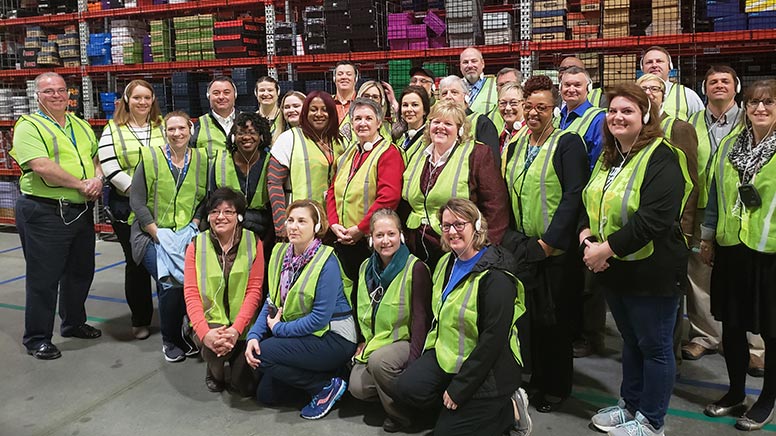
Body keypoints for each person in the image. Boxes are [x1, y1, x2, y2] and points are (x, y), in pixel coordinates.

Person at [582, 83, 691, 436]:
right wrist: (586, 239)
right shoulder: (610, 156)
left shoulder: (664, 156)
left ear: (645, 116)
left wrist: (603, 250)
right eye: (613, 110)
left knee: (655, 347)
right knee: (632, 342)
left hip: (652, 270)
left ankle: (651, 420)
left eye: (627, 111)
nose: (617, 117)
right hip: (617, 268)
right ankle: (629, 406)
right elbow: (590, 200)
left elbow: (653, 219)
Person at [396, 198, 531, 436]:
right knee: (407, 389)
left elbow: (493, 341)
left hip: (489, 368)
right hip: (451, 358)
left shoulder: (496, 277)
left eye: (459, 225)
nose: (452, 231)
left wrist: (460, 388)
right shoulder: (446, 263)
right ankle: (460, 414)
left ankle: (510, 410)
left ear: (477, 226)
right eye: (446, 226)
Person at [503, 75, 589, 413]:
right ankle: (536, 378)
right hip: (525, 246)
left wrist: (550, 242)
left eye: (542, 107)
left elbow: (573, 196)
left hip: (555, 251)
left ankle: (557, 386)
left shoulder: (568, 143)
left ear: (554, 109)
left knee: (556, 323)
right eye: (529, 106)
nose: (534, 112)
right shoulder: (518, 143)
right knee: (532, 321)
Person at [700, 79, 776, 431]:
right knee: (731, 326)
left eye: (769, 103)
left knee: (772, 332)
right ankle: (734, 392)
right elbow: (715, 195)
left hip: (771, 254)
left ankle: (767, 399)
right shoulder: (730, 145)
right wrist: (708, 237)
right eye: (754, 103)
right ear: (744, 107)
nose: (760, 109)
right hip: (732, 248)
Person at [11, 72, 104, 360]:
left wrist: (98, 179)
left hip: (80, 209)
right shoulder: (29, 126)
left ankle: (73, 322)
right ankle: (37, 337)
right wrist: (81, 184)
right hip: (45, 211)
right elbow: (40, 165)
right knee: (44, 278)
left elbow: (95, 158)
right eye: (49, 91)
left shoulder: (80, 124)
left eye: (61, 90)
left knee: (80, 271)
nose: (57, 95)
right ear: (37, 96)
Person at [684, 66, 765, 374]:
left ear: (736, 88)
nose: (718, 85)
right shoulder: (690, 124)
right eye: (712, 81)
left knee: (748, 279)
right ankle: (705, 336)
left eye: (725, 81)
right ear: (704, 88)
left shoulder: (751, 120)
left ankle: (756, 347)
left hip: (743, 212)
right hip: (703, 208)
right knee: (699, 276)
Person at [244, 199, 356, 420]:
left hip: (334, 338)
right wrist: (254, 335)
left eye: (302, 221)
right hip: (304, 335)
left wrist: (279, 329)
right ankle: (332, 374)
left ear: (316, 227)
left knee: (264, 354)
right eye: (291, 220)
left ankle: (324, 386)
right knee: (265, 394)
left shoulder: (327, 261)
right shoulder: (279, 253)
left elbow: (319, 319)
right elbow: (271, 300)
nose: (294, 226)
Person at [130, 111, 209, 363]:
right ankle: (170, 339)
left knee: (191, 282)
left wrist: (195, 224)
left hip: (187, 234)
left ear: (191, 130)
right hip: (151, 234)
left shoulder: (200, 159)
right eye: (171, 129)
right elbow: (137, 200)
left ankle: (186, 330)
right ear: (165, 132)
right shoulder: (150, 157)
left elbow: (204, 198)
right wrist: (156, 232)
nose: (177, 134)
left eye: (182, 129)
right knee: (170, 283)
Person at [636, 72, 701, 371]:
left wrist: (687, 229)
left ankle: (669, 357)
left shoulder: (679, 128)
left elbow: (691, 183)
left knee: (669, 302)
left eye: (654, 88)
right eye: (643, 88)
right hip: (641, 230)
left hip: (672, 230)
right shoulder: (634, 128)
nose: (649, 92)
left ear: (664, 94)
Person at [349, 209, 432, 432]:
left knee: (379, 363)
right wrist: (362, 341)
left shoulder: (416, 268)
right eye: (379, 235)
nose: (386, 241)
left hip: (405, 342)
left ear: (401, 235)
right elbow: (364, 310)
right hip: (377, 343)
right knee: (357, 386)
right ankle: (400, 396)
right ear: (371, 239)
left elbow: (421, 321)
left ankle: (404, 416)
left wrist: (414, 366)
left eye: (391, 234)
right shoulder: (365, 268)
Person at [402, 100, 508, 271]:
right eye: (436, 122)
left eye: (448, 123)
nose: (440, 127)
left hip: (459, 248)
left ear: (460, 129)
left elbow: (496, 205)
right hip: (416, 247)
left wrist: (486, 247)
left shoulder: (477, 154)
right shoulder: (418, 154)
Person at [98, 79, 165, 340]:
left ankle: (173, 315)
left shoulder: (161, 126)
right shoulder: (113, 129)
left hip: (162, 203)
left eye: (147, 97)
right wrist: (139, 194)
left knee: (167, 260)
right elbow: (110, 167)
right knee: (136, 262)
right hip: (126, 205)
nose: (142, 102)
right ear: (127, 100)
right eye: (137, 97)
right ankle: (140, 319)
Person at [183, 187, 264, 395]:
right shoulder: (196, 244)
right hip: (211, 323)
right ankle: (215, 372)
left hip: (243, 326)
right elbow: (191, 293)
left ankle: (233, 355)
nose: (220, 217)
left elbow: (254, 291)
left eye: (228, 211)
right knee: (213, 349)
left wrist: (236, 329)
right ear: (208, 217)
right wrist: (205, 333)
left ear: (239, 216)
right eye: (214, 212)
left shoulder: (253, 242)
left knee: (244, 389)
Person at [327, 98, 404, 281]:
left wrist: (360, 229)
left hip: (369, 242)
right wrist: (334, 223)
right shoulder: (349, 153)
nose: (362, 123)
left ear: (379, 122)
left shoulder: (388, 153)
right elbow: (332, 190)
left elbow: (389, 198)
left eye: (368, 118)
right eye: (357, 118)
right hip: (342, 237)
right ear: (351, 123)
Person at [268, 91, 344, 240]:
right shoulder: (288, 139)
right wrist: (281, 225)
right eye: (313, 109)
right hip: (298, 223)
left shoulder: (340, 141)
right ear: (305, 112)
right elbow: (274, 183)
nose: (319, 114)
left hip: (333, 223)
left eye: (324, 109)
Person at [211, 112, 273, 246]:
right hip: (227, 229)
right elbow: (211, 203)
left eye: (252, 132)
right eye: (241, 133)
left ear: (261, 137)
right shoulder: (220, 161)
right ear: (233, 137)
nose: (246, 137)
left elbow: (274, 207)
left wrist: (265, 244)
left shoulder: (270, 162)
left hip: (263, 230)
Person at [438, 75, 500, 168]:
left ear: (466, 96)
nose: (448, 97)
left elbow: (492, 163)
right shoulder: (436, 126)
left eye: (454, 92)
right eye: (444, 93)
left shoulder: (482, 123)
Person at [559, 66, 606, 168]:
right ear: (560, 88)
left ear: (588, 88)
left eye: (577, 85)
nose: (571, 90)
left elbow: (597, 160)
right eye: (567, 85)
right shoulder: (557, 118)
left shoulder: (598, 119)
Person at [640, 46, 703, 121]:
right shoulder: (633, 95)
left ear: (670, 66)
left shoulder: (688, 96)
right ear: (642, 68)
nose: (654, 65)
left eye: (659, 61)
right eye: (649, 62)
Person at [191, 76, 239, 160]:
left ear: (235, 95)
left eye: (226, 92)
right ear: (208, 97)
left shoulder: (249, 122)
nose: (221, 97)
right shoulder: (197, 126)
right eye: (216, 93)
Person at [394, 85, 431, 162]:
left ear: (425, 110)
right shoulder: (400, 138)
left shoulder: (430, 139)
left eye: (415, 105)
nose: (409, 109)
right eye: (405, 105)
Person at [459, 47, 497, 115]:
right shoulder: (454, 89)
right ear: (460, 67)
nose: (470, 65)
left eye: (474, 61)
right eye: (465, 62)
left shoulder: (497, 85)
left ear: (482, 64)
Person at [496, 82, 525, 156]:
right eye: (503, 103)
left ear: (524, 104)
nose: (508, 108)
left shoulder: (530, 134)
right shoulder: (503, 136)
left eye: (513, 103)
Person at [255, 76, 283, 142]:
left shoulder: (285, 118)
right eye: (262, 90)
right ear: (256, 93)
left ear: (277, 92)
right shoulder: (252, 119)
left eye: (270, 90)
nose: (266, 94)